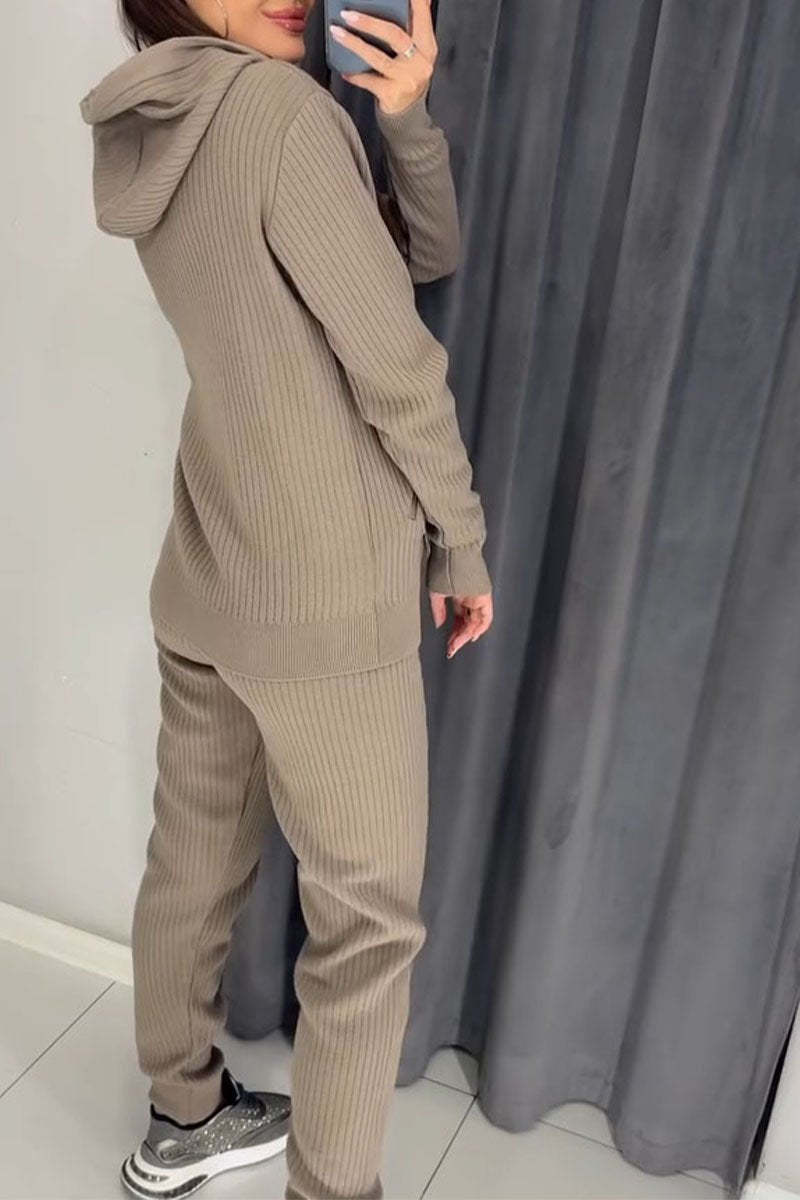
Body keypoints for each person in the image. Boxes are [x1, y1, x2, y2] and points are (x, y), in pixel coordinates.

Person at [78, 0, 493, 1196]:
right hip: (322, 592)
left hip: (212, 565)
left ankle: (181, 1117)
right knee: (367, 926)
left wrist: (403, 124)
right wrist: (460, 543)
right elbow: (396, 362)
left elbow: (414, 261)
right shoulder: (281, 116)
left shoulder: (151, 120)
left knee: (191, 868)